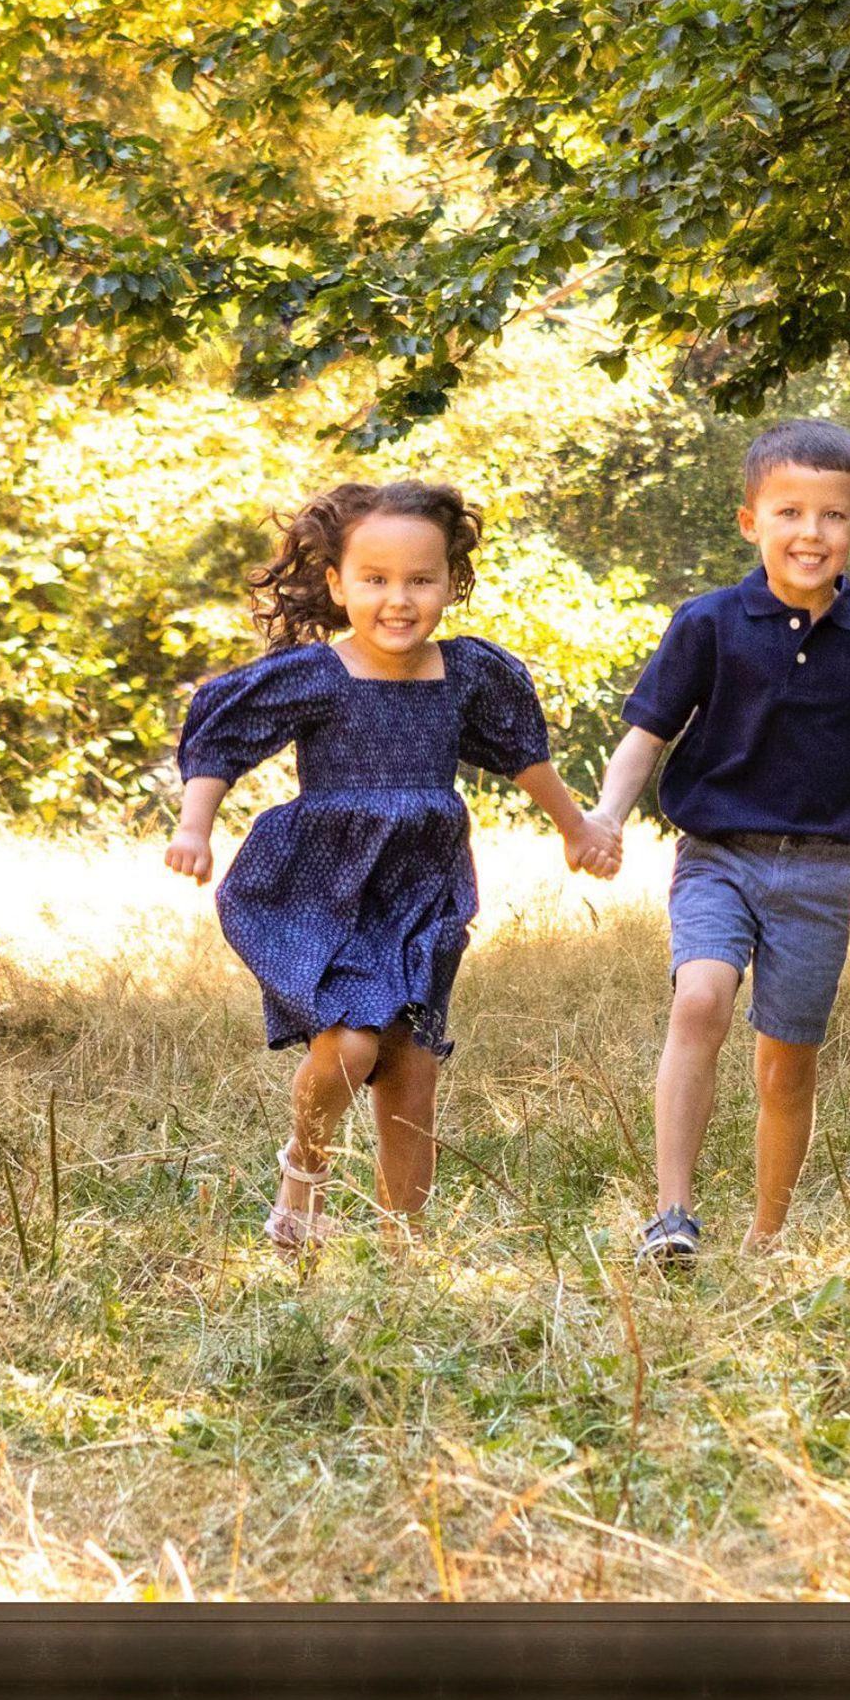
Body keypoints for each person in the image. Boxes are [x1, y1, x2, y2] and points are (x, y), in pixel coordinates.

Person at [165, 478, 620, 1257]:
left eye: (420, 579)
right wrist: (194, 826)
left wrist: (576, 828)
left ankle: (402, 1247)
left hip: (422, 883)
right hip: (324, 884)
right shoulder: (316, 673)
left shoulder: (468, 673)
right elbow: (222, 745)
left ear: (451, 582)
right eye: (374, 580)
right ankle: (299, 1185)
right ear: (338, 584)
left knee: (410, 1063)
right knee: (348, 1043)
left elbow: (524, 758)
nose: (398, 599)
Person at [591, 419, 850, 1265]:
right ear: (749, 521)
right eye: (790, 511)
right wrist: (609, 814)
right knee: (700, 1000)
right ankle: (673, 1215)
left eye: (833, 516)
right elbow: (646, 736)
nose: (811, 532)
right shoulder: (709, 623)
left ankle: (768, 1235)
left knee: (786, 1066)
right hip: (717, 856)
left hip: (823, 875)